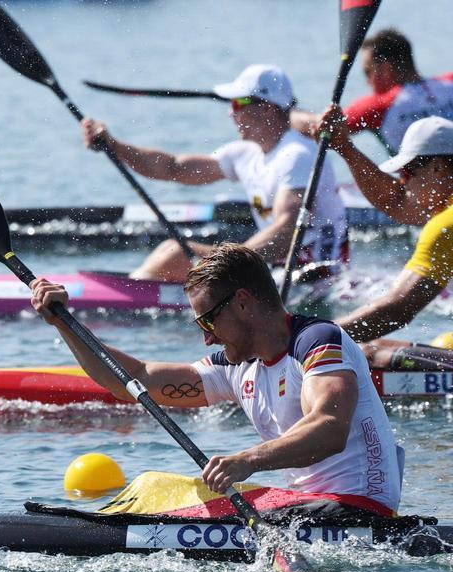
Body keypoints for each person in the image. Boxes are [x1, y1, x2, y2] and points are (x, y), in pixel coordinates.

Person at [29, 244, 402, 515]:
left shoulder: (317, 341)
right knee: (155, 487)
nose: (206, 337)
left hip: (359, 510)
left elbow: (329, 428)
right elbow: (136, 379)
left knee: (158, 498)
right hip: (309, 509)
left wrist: (247, 460)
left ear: (242, 302)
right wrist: (66, 324)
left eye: (208, 320)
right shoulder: (237, 366)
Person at [82, 64, 347, 284]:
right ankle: (138, 286)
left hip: (312, 274)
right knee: (173, 250)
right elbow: (173, 167)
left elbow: (286, 231)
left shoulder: (296, 155)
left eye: (238, 103)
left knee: (175, 253)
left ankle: (130, 295)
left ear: (267, 108)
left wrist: (222, 264)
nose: (231, 112)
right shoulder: (246, 153)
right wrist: (115, 146)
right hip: (274, 267)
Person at [317, 111, 453, 369]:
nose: (402, 181)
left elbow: (395, 310)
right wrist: (345, 148)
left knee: (368, 356)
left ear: (436, 167)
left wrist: (306, 340)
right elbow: (398, 202)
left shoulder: (446, 224)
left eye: (406, 171)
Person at [293, 29, 453, 155]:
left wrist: (286, 111)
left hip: (422, 193)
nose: (367, 82)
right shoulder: (449, 82)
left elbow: (322, 126)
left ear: (385, 68)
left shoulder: (380, 106)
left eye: (367, 72)